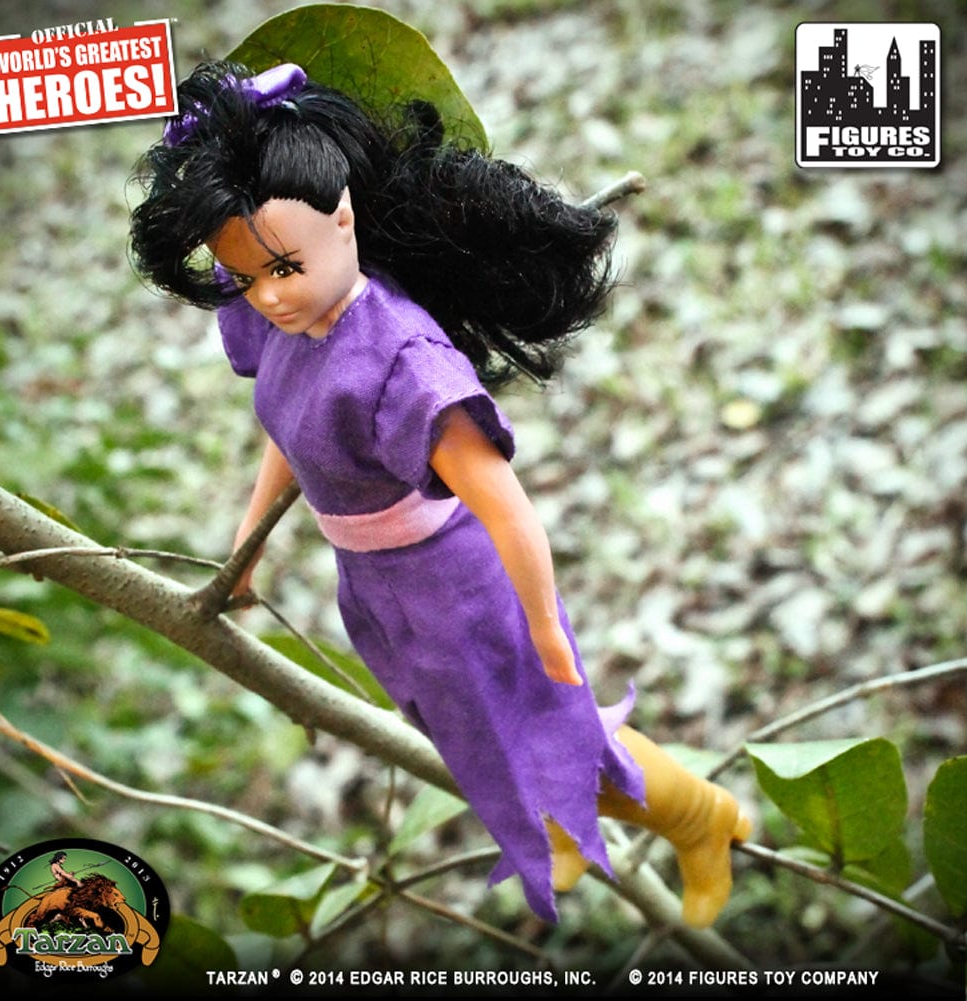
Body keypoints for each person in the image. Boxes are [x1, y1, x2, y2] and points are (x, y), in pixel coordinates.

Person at [130, 61, 750, 928]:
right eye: (244, 276)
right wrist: (246, 549)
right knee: (474, 739)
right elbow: (290, 430)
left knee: (556, 729)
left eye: (283, 267)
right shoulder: (287, 323)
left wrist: (542, 623)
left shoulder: (401, 359)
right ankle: (556, 821)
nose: (266, 294)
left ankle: (699, 817)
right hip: (381, 590)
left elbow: (503, 503)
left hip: (458, 583)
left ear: (343, 216)